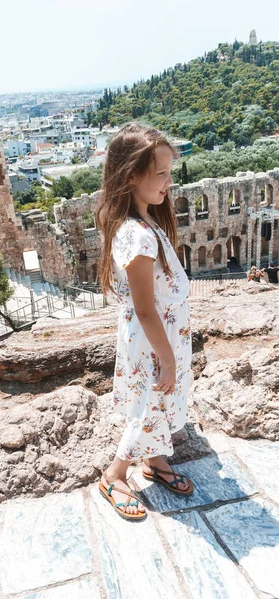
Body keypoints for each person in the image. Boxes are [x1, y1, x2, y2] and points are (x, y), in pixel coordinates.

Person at [96, 122, 194, 522]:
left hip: (157, 338)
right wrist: (167, 358)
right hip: (154, 341)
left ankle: (154, 460)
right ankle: (115, 474)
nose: (169, 182)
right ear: (132, 175)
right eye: (161, 173)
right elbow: (145, 307)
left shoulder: (143, 221)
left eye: (170, 172)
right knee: (149, 403)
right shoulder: (137, 236)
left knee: (155, 403)